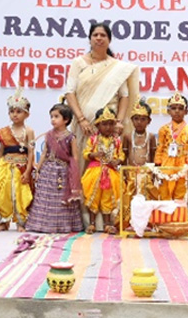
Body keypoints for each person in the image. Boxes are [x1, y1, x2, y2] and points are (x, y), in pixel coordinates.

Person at [64, 22, 139, 227]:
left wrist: (119, 122)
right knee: (83, 168)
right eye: (95, 34)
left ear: (109, 39)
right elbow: (70, 92)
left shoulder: (117, 67)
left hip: (109, 128)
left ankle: (108, 218)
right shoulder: (78, 63)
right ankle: (82, 218)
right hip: (84, 126)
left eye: (103, 35)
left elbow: (124, 96)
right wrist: (80, 119)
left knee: (109, 171)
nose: (99, 38)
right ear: (89, 38)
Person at [26, 103, 84, 234]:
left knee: (60, 200)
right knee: (45, 198)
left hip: (62, 172)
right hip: (48, 170)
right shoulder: (49, 135)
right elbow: (45, 152)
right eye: (51, 116)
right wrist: (38, 169)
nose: (53, 119)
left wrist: (74, 176)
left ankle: (63, 226)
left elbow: (75, 157)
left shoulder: (71, 137)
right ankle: (42, 225)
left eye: (56, 116)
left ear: (66, 120)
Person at [0, 87, 35, 232]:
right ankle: (4, 220)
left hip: (21, 167)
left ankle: (21, 221)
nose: (15, 115)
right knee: (4, 194)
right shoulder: (4, 131)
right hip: (5, 166)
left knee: (21, 195)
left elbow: (31, 152)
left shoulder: (29, 131)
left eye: (19, 111)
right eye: (12, 112)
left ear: (26, 114)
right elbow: (0, 150)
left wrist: (28, 171)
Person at [81, 107, 125, 234]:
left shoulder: (116, 141)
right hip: (95, 171)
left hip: (110, 172)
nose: (108, 127)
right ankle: (92, 224)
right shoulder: (93, 139)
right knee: (92, 197)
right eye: (104, 124)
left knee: (108, 198)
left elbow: (121, 155)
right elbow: (86, 153)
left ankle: (107, 224)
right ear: (98, 125)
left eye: (111, 124)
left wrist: (117, 161)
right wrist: (94, 154)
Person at [154, 92, 188, 201]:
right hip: (166, 165)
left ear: (186, 111)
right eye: (174, 108)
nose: (177, 111)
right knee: (165, 193)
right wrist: (157, 167)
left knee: (180, 195)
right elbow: (159, 148)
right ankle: (166, 217)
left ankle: (178, 217)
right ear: (168, 111)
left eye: (180, 108)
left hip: (183, 166)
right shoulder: (163, 129)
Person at [120, 98, 157, 230]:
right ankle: (130, 223)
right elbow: (124, 157)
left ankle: (147, 223)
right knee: (130, 197)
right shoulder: (128, 136)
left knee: (146, 198)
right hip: (131, 173)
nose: (139, 122)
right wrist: (123, 173)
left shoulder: (151, 137)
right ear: (132, 120)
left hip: (146, 173)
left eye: (143, 119)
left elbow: (153, 157)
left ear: (149, 121)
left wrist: (153, 174)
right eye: (136, 119)